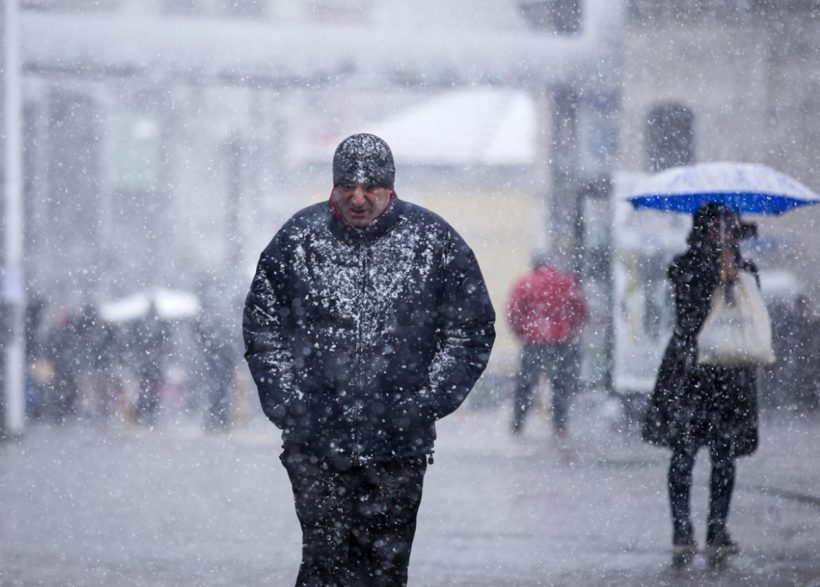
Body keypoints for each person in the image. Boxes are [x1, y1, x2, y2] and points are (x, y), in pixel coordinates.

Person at [243, 133, 495, 587]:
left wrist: (425, 402)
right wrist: (287, 403)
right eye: (347, 187)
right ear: (333, 186)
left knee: (383, 571)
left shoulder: (433, 241)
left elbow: (470, 330)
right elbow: (264, 327)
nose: (358, 198)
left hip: (398, 448)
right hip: (316, 445)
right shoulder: (298, 240)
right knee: (323, 565)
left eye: (370, 188)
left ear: (390, 187)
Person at [643, 203, 760, 563]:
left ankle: (717, 528)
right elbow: (690, 314)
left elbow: (751, 313)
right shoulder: (684, 265)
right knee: (684, 452)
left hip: (729, 370)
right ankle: (682, 528)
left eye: (729, 227)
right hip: (690, 372)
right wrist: (716, 273)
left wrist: (733, 274)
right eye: (716, 227)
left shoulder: (745, 269)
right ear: (702, 229)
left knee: (724, 456)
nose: (723, 233)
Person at [507, 250, 587, 436]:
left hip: (533, 341)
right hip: (560, 341)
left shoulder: (525, 283)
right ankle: (559, 424)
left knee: (525, 385)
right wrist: (570, 330)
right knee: (559, 384)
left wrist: (522, 332)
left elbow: (514, 311)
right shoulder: (567, 282)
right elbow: (580, 310)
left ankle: (518, 423)